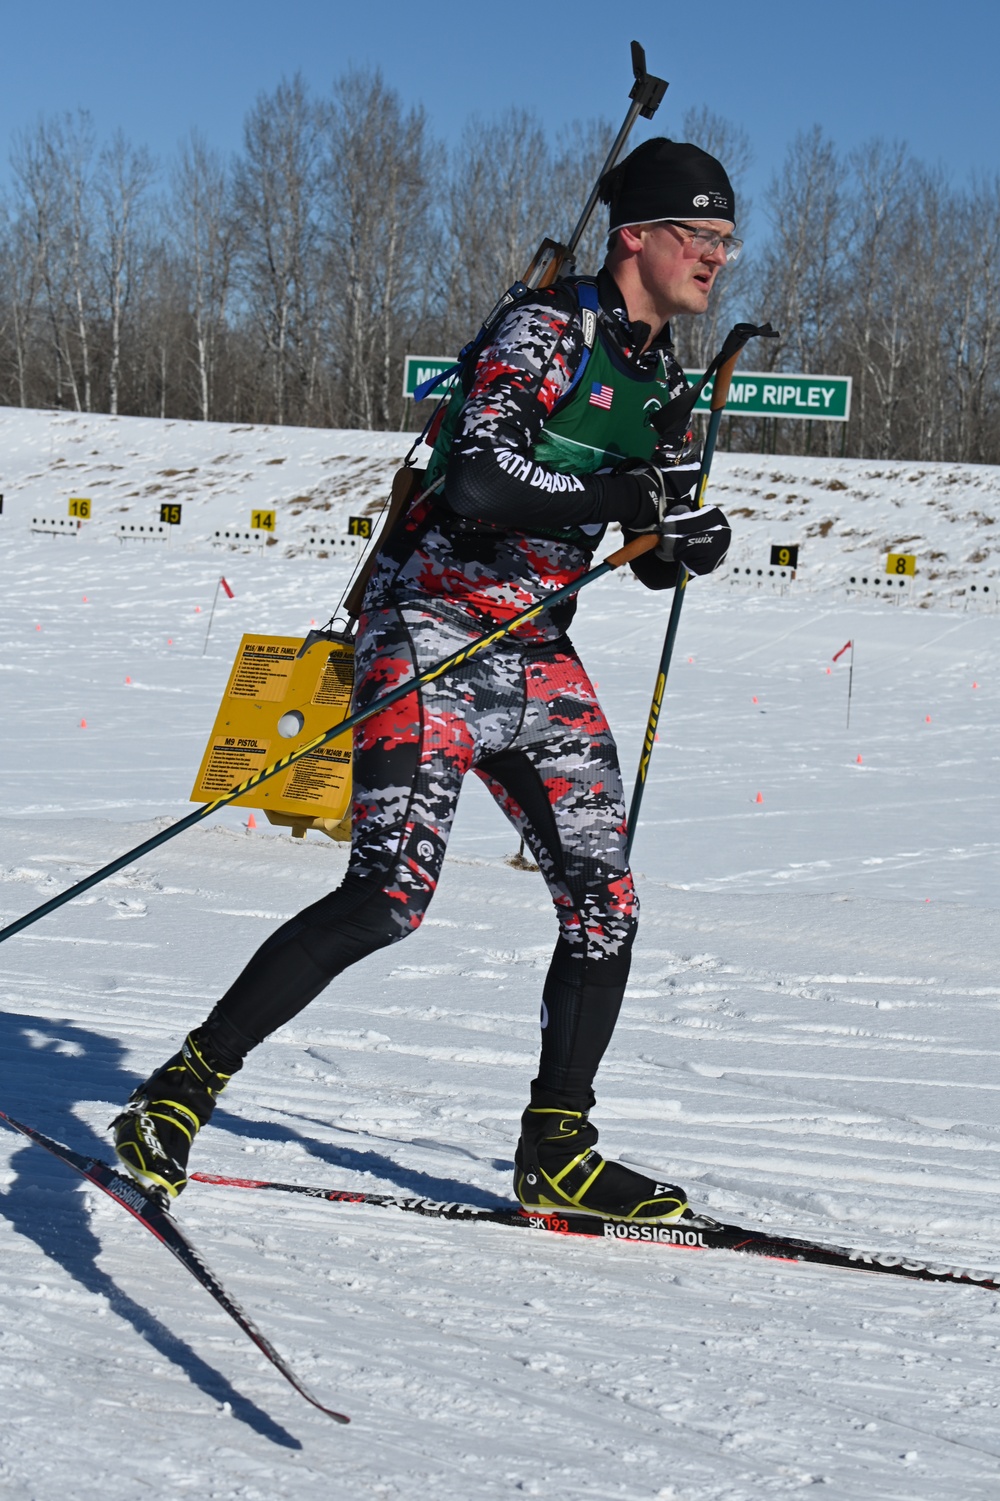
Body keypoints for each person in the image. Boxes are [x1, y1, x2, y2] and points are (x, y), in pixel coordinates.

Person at [113, 137, 739, 1222]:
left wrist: (684, 542)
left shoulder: (664, 376)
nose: (717, 258)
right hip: (432, 631)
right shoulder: (548, 330)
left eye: (728, 240)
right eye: (699, 234)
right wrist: (630, 503)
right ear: (635, 232)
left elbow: (651, 541)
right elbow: (483, 480)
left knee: (607, 906)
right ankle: (180, 1090)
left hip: (537, 651)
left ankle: (558, 1149)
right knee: (390, 898)